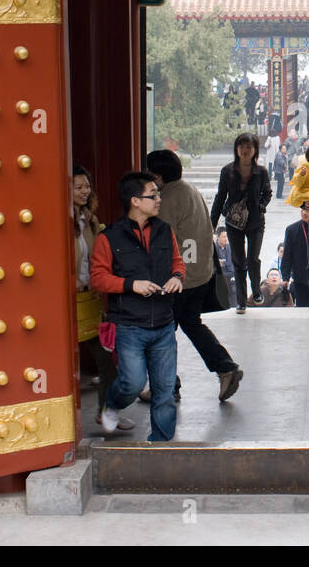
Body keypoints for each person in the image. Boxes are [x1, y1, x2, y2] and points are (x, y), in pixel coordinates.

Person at [92, 171, 185, 441]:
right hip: (129, 325)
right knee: (132, 384)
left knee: (165, 390)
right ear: (135, 201)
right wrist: (131, 284)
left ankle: (161, 444)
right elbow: (98, 278)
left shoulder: (165, 231)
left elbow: (177, 263)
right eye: (152, 195)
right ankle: (111, 405)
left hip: (164, 323)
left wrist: (177, 278)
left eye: (158, 194)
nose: (158, 199)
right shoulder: (108, 237)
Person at [146, 149, 244, 403]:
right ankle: (224, 367)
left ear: (157, 175)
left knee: (162, 333)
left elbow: (159, 243)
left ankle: (167, 386)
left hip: (179, 279)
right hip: (200, 273)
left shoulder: (165, 199)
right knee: (190, 323)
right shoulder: (190, 190)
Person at [73, 167, 133, 431]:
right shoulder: (59, 221)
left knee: (108, 361)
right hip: (67, 303)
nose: (85, 191)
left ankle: (107, 412)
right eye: (78, 187)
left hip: (91, 300)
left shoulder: (91, 220)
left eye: (86, 186)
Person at [210, 132, 273, 314]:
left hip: (255, 222)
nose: (245, 150)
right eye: (241, 146)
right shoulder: (227, 171)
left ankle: (256, 291)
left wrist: (260, 206)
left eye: (249, 147)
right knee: (238, 261)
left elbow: (267, 193)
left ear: (255, 150)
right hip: (234, 223)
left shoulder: (261, 172)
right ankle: (241, 302)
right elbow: (220, 197)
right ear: (236, 149)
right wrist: (212, 222)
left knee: (252, 259)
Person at [281, 206, 309, 308]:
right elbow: (287, 255)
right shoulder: (292, 230)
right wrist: (285, 277)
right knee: (302, 307)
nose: (304, 213)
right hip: (300, 276)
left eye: (307, 210)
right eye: (303, 210)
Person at [214, 227, 237, 305]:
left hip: (231, 274)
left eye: (227, 236)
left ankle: (234, 308)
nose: (226, 239)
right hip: (220, 275)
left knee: (235, 290)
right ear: (218, 237)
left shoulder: (231, 247)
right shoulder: (213, 248)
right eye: (224, 237)